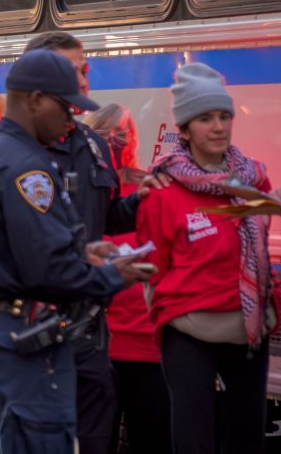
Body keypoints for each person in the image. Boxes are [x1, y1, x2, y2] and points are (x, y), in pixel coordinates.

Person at [0, 48, 150, 453]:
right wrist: (117, 274)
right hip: (27, 343)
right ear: (34, 100)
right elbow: (48, 271)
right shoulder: (26, 165)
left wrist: (83, 248)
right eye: (65, 107)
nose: (71, 118)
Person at [136, 62, 281, 454]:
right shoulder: (163, 191)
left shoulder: (254, 180)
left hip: (248, 330)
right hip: (189, 334)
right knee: (193, 441)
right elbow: (154, 270)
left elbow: (262, 247)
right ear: (183, 129)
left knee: (248, 439)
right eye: (204, 118)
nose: (218, 127)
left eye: (223, 116)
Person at [24, 31, 145, 454]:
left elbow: (103, 218)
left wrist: (142, 202)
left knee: (95, 438)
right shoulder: (11, 152)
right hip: (29, 331)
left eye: (85, 67)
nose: (85, 76)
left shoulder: (93, 145)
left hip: (91, 330)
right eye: (74, 69)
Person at [93, 104, 171, 454]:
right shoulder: (88, 195)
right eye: (105, 134)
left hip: (147, 347)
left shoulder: (148, 191)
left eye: (123, 134)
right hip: (97, 347)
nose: (116, 142)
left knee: (152, 441)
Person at [83, 103, 142, 195]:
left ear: (132, 140)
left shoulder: (143, 187)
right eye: (102, 134)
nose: (111, 144)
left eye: (121, 135)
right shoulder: (78, 182)